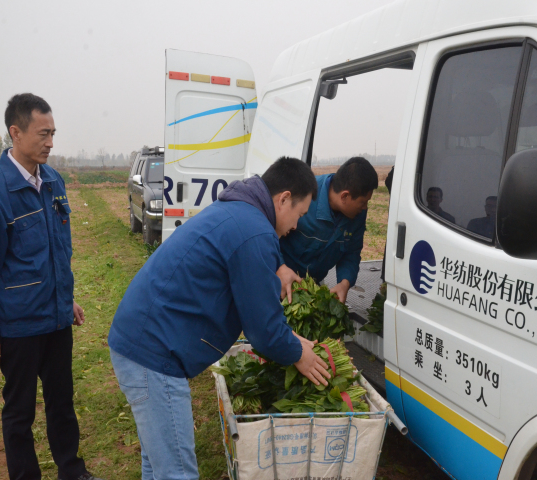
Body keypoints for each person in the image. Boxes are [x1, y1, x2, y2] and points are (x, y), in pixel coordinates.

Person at [108, 157, 331, 479]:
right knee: (176, 473)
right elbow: (264, 331)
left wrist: (289, 334)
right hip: (152, 354)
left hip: (143, 340)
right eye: (299, 214)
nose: (297, 225)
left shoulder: (239, 213)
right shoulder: (253, 230)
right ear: (283, 199)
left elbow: (252, 302)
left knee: (158, 464)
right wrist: (298, 354)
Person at [0, 94, 101, 480]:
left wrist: (66, 301)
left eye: (53, 133)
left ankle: (72, 471)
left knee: (62, 403)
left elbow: (57, 251)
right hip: (18, 326)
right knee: (19, 412)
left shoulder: (53, 180)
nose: (51, 142)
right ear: (15, 133)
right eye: (43, 134)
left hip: (56, 320)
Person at [277, 157, 378, 303]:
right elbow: (269, 234)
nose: (365, 207)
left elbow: (351, 252)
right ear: (345, 196)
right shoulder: (304, 194)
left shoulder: (357, 215)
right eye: (362, 202)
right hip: (278, 281)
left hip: (310, 288)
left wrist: (344, 283)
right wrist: (279, 266)